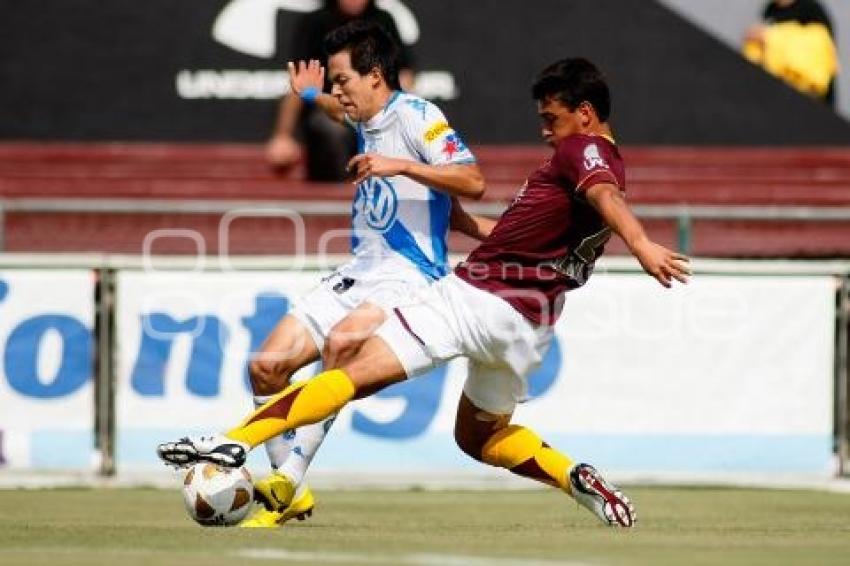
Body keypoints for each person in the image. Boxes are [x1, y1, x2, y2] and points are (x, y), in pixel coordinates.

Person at [158, 58, 691, 527]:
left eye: (552, 120)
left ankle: (236, 441)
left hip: (475, 296)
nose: (548, 133)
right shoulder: (583, 161)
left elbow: (605, 195)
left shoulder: (585, 150)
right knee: (479, 437)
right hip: (530, 326)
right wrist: (463, 221)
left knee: (348, 372)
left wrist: (641, 243)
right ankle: (573, 476)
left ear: (586, 112)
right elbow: (524, 230)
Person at [239, 20, 484, 528]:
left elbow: (473, 180)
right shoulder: (361, 115)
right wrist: (310, 95)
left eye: (342, 79)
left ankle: (285, 483)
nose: (337, 91)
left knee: (342, 345)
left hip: (410, 274)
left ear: (375, 75)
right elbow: (333, 107)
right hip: (359, 270)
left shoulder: (418, 117)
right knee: (265, 366)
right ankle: (293, 489)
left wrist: (402, 165)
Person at [267, 0, 415, 180]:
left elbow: (404, 73)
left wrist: (401, 112)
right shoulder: (315, 22)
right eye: (336, 79)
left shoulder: (384, 20)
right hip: (330, 119)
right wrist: (283, 135)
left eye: (343, 79)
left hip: (378, 113)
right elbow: (306, 88)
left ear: (377, 75)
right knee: (330, 128)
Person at [743, 0, 838, 106]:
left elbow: (813, 61)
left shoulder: (812, 13)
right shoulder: (771, 12)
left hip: (808, 105)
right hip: (773, 98)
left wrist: (769, 37)